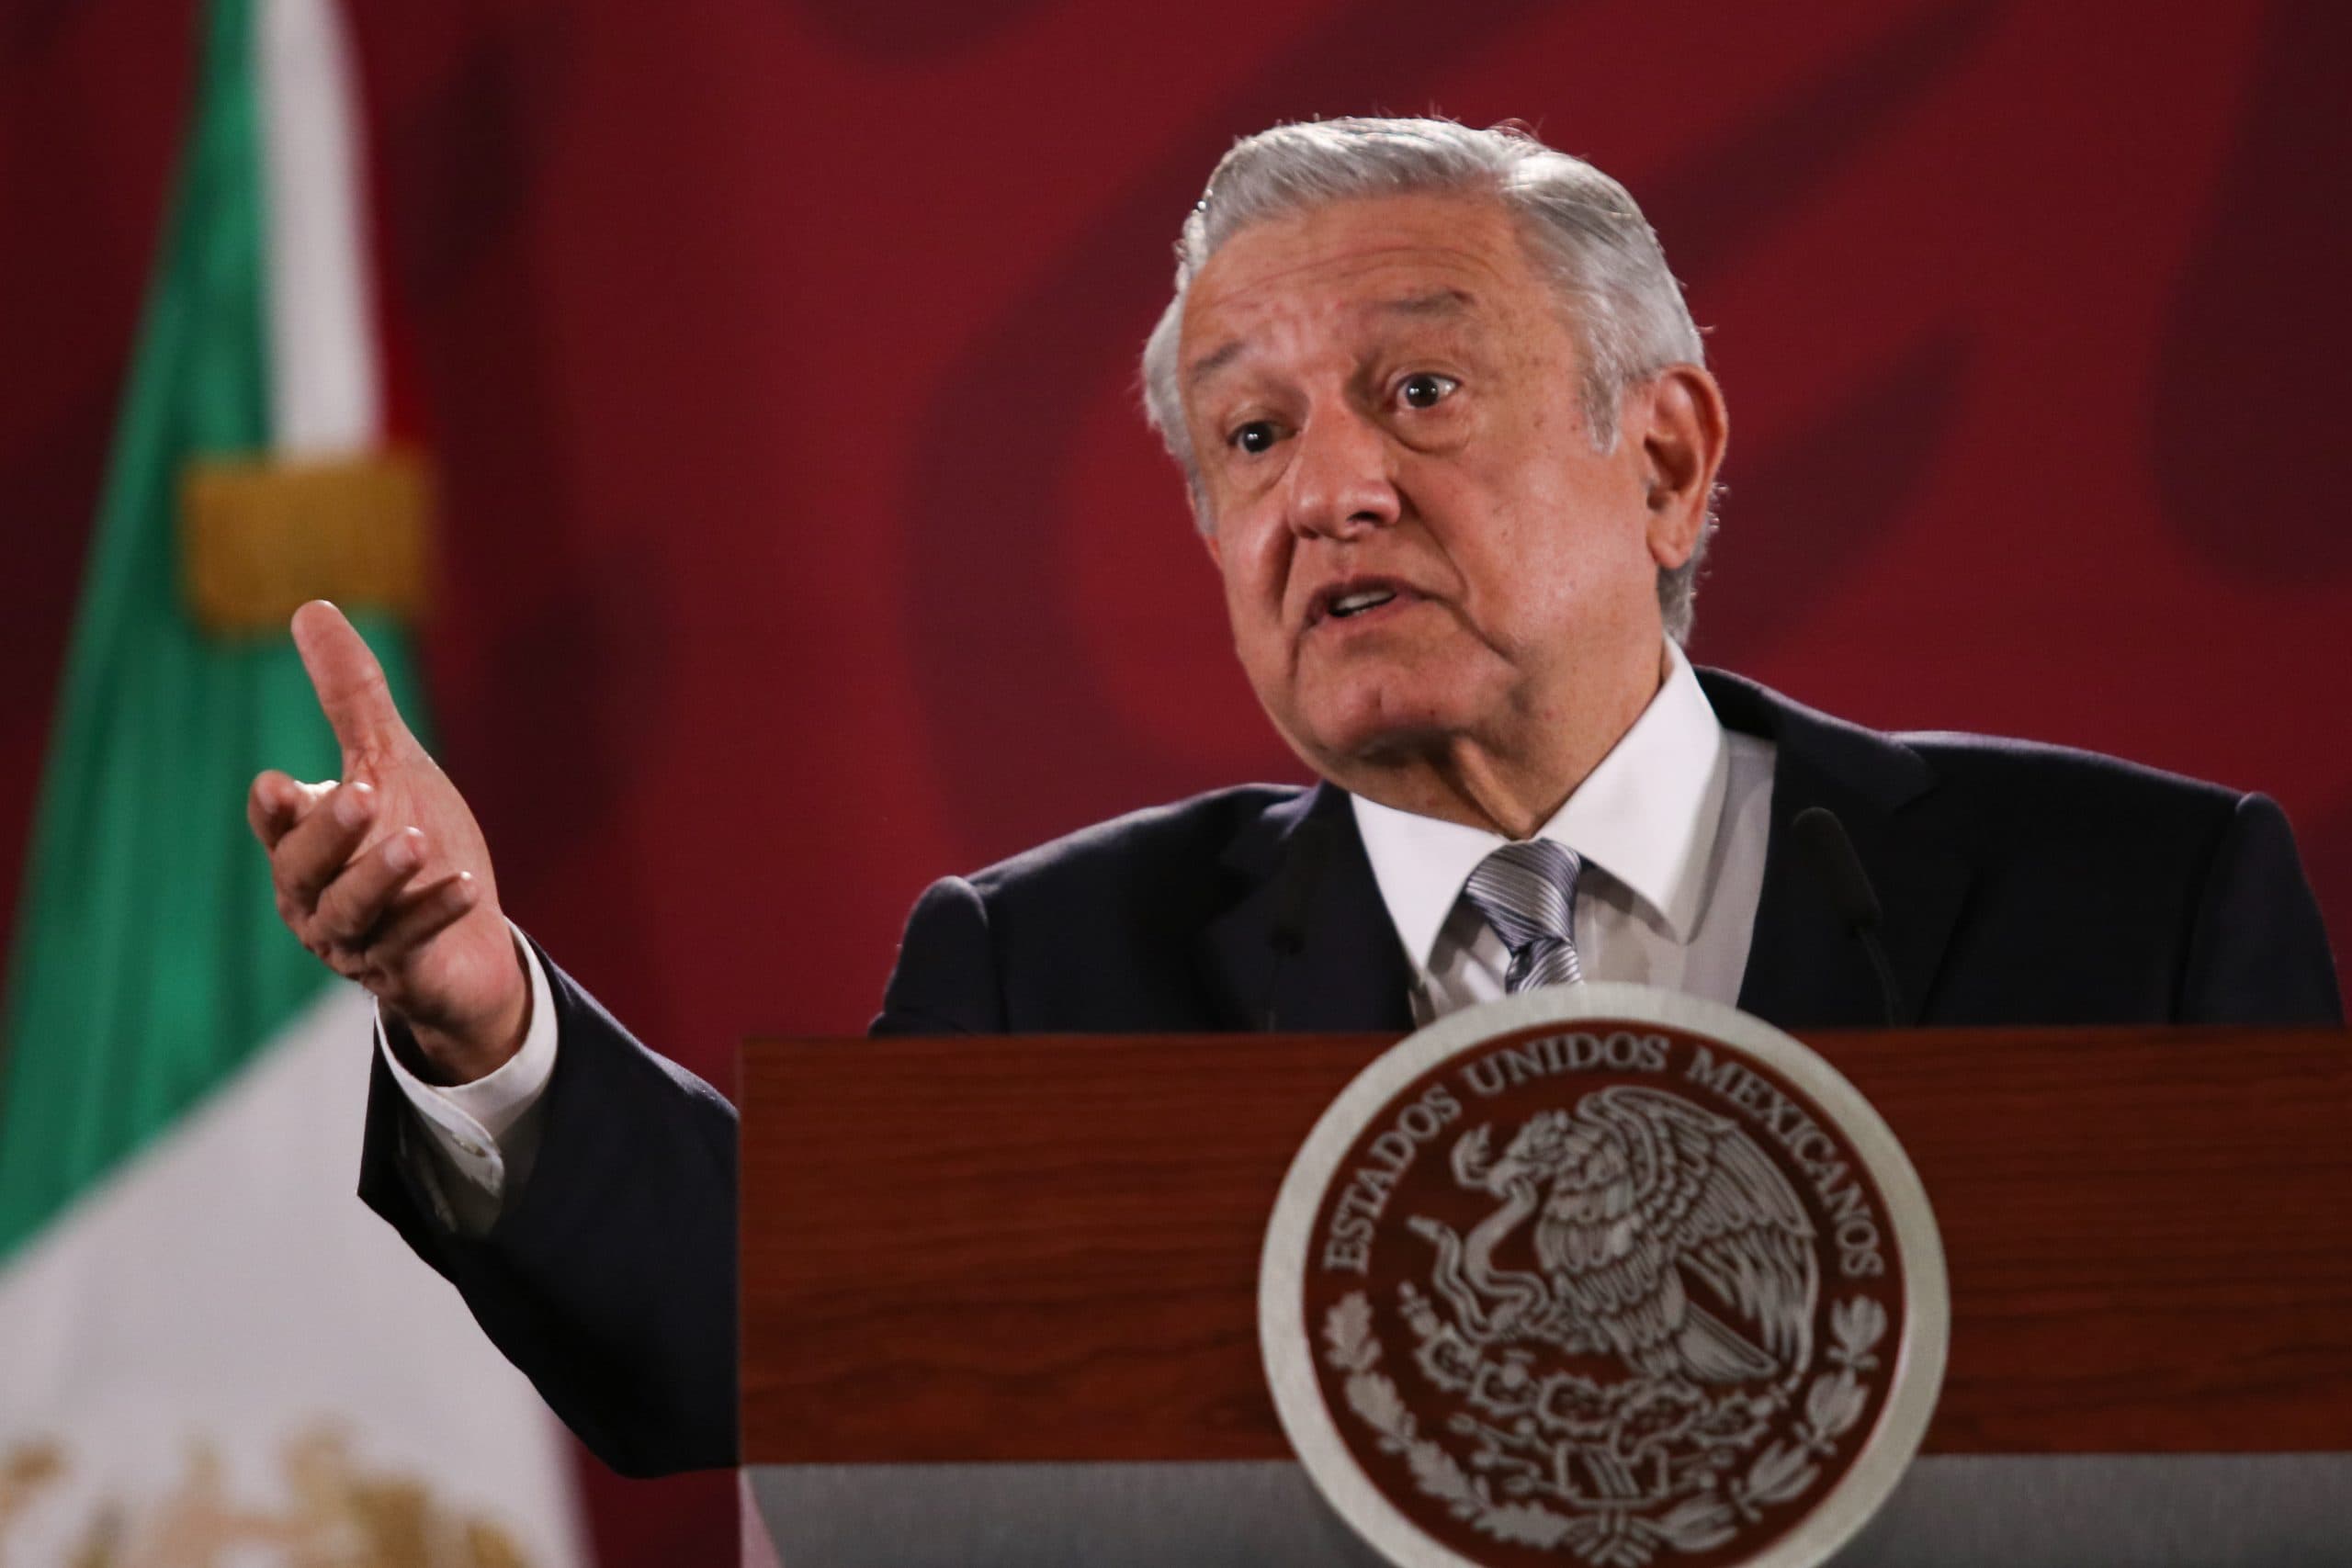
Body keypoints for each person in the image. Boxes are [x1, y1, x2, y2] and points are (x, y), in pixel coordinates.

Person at [247, 118, 2341, 1478]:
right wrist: (479, 1011)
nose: (1327, 484)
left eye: (1420, 391)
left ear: (1670, 455)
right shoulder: (1053, 970)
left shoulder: (2130, 906)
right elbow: (744, 1355)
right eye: (1247, 436)